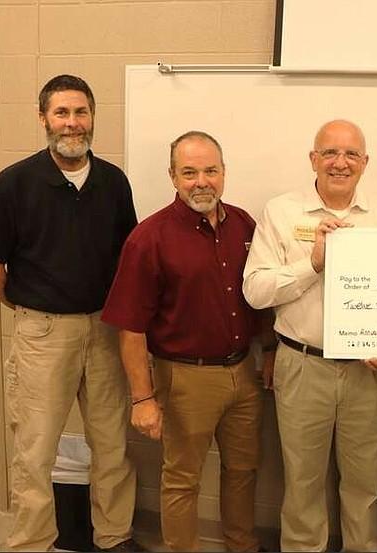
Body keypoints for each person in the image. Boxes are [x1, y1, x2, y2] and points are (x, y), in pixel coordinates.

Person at [0, 74, 140, 551]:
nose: (72, 123)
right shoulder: (13, 185)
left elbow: (126, 261)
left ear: (92, 118)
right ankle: (32, 542)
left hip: (106, 330)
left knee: (112, 446)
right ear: (43, 117)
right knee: (35, 450)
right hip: (42, 334)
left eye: (80, 112)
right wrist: (35, 308)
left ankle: (113, 536)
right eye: (61, 113)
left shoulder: (113, 182)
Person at [102, 131, 272, 552]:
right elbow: (130, 327)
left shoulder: (245, 225)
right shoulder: (149, 238)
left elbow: (260, 297)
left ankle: (241, 545)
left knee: (243, 470)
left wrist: (267, 351)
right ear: (173, 177)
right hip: (184, 380)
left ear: (224, 173)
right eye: (190, 172)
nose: (202, 181)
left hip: (243, 373)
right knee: (182, 479)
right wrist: (142, 399)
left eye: (210, 170)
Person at [243, 120, 377, 552]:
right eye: (330, 153)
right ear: (312, 159)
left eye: (351, 154)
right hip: (302, 366)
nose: (340, 163)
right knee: (301, 485)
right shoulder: (281, 212)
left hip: (366, 374)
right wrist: (313, 263)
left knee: (365, 489)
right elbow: (255, 291)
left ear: (365, 163)